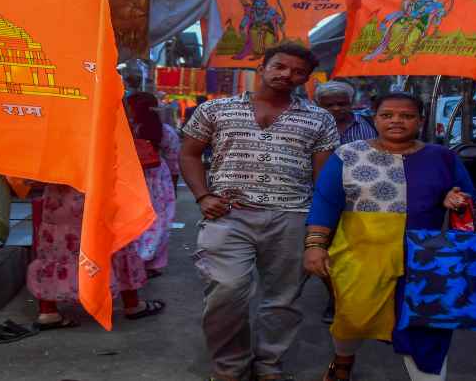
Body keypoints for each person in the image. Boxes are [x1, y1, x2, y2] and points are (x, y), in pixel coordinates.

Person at [180, 43, 339, 381]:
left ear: (307, 79)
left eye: (298, 72)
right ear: (262, 67)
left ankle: (268, 364)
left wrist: (319, 232)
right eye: (280, 66)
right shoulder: (216, 109)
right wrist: (202, 196)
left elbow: (323, 180)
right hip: (228, 215)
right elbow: (190, 154)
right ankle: (229, 367)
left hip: (293, 216)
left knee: (283, 301)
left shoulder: (319, 118)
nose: (287, 75)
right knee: (225, 292)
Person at [304, 92, 474, 381]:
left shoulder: (442, 157)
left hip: (423, 257)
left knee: (425, 326)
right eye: (387, 115)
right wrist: (315, 246)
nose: (397, 121)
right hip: (360, 255)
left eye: (407, 116)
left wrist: (454, 198)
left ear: (420, 121)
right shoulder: (347, 154)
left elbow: (466, 192)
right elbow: (325, 201)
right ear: (375, 119)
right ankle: (343, 360)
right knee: (352, 317)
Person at [27, 183, 165, 330]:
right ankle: (132, 303)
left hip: (58, 199)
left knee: (57, 250)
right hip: (98, 189)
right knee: (114, 246)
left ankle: (48, 312)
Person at [314, 80, 377, 324]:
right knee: (325, 249)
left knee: (359, 250)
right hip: (322, 197)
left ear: (351, 102)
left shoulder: (369, 124)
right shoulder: (313, 126)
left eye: (342, 103)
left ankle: (365, 298)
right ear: (318, 105)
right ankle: (335, 297)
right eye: (329, 105)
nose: (337, 109)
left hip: (363, 197)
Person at [126, 92, 180, 276]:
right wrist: (173, 186)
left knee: (131, 220)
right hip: (158, 180)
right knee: (157, 221)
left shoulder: (125, 130)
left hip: (130, 179)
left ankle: (132, 260)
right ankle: (148, 260)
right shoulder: (165, 132)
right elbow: (174, 161)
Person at [316, 81, 377, 145]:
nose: (336, 108)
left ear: (351, 103)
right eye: (329, 105)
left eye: (341, 104)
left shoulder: (371, 121)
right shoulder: (314, 127)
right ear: (319, 106)